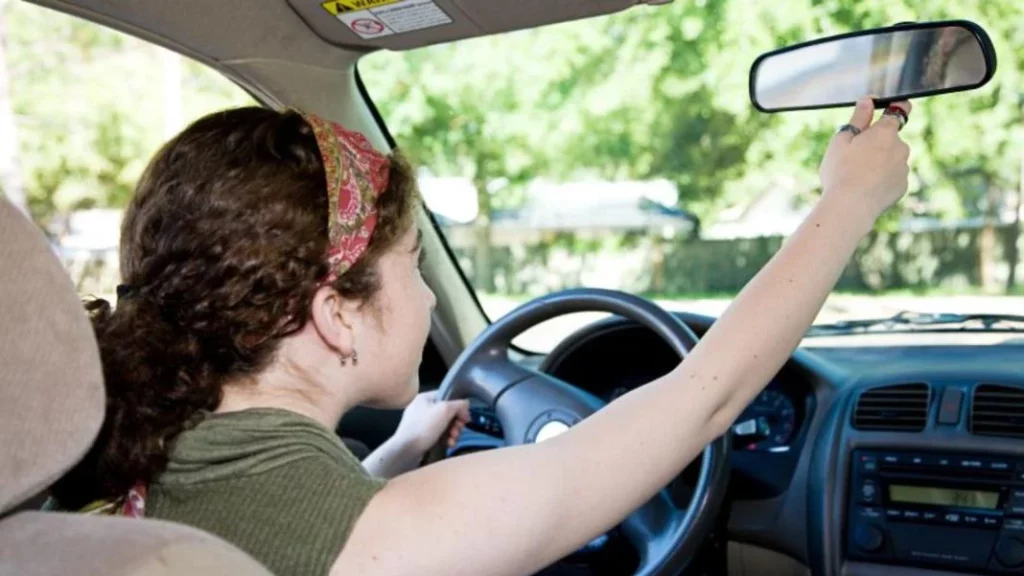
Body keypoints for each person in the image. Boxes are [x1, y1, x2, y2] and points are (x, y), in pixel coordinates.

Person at [55, 97, 911, 576]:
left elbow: (295, 528)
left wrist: (389, 460)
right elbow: (704, 395)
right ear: (335, 313)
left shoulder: (122, 463)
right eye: (414, 265)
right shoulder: (391, 539)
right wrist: (848, 202)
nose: (428, 298)